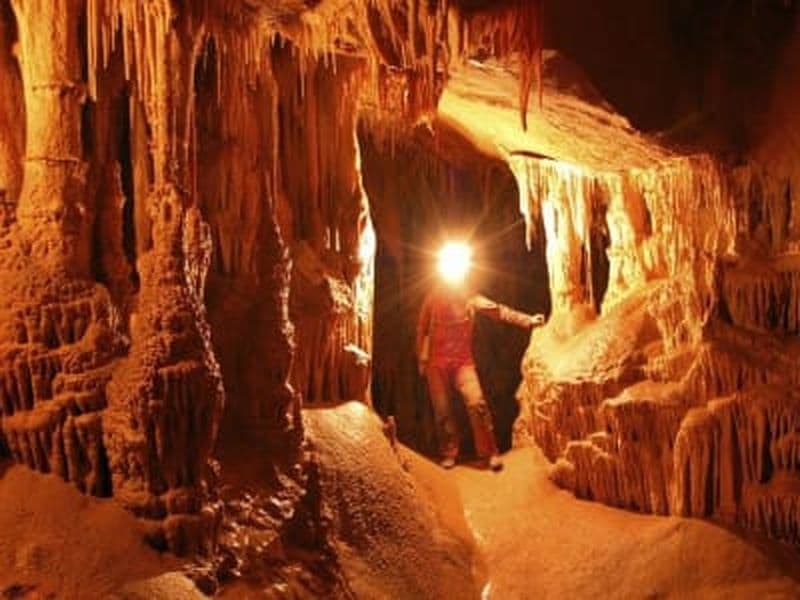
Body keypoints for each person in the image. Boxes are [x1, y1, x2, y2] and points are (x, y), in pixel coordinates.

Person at [416, 279, 544, 471]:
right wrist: (421, 358)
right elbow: (422, 328)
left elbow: (499, 311)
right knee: (442, 411)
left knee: (477, 403)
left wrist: (528, 320)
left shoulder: (471, 299)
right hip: (436, 362)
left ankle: (489, 452)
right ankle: (449, 452)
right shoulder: (433, 298)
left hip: (462, 362)